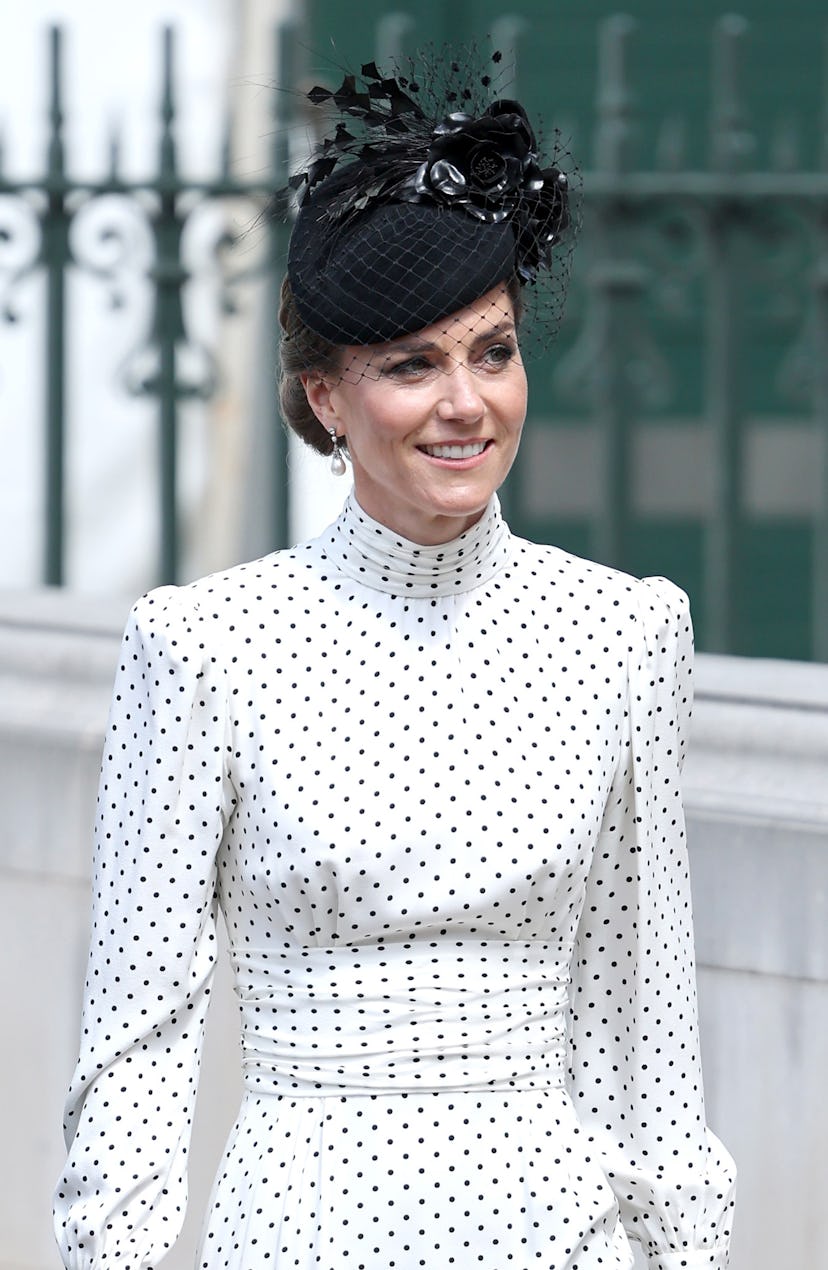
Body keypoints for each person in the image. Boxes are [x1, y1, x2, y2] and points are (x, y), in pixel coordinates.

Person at [54, 48, 735, 1270]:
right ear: (324, 396)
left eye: (492, 350)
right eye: (412, 364)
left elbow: (644, 1011)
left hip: (561, 1238)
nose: (466, 403)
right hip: (302, 1233)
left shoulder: (624, 633)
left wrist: (681, 1248)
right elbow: (138, 1040)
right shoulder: (206, 647)